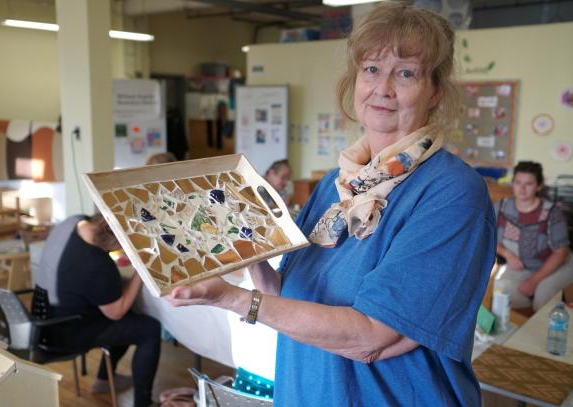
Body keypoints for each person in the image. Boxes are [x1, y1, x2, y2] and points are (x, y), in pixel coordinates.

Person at [166, 3, 495, 406]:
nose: (383, 89)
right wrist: (246, 243)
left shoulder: (451, 193)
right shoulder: (337, 185)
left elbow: (371, 338)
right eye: (371, 69)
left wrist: (231, 299)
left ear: (435, 91)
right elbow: (286, 296)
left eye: (406, 73)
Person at [36, 214, 161, 407]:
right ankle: (142, 403)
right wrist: (141, 268)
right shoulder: (97, 264)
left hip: (44, 314)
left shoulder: (73, 222)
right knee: (148, 329)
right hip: (65, 333)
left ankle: (103, 380)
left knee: (129, 318)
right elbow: (116, 312)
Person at [495, 161, 573, 311]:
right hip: (523, 265)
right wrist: (508, 254)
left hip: (557, 265)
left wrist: (533, 281)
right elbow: (487, 236)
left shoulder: (552, 212)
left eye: (528, 184)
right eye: (518, 182)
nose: (522, 189)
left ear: (539, 186)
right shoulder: (501, 207)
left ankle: (543, 326)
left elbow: (560, 253)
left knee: (542, 296)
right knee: (502, 291)